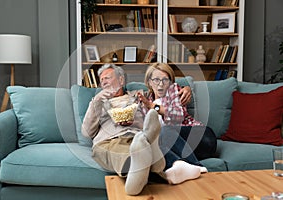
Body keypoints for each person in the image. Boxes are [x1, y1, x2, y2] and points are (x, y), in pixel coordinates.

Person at [82, 63, 166, 195]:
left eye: (107, 78)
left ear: (121, 80)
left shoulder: (138, 96)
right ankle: (152, 156)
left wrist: (185, 89)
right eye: (101, 80)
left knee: (138, 143)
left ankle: (147, 149)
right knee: (125, 152)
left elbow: (165, 85)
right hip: (110, 140)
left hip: (136, 136)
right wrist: (96, 101)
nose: (104, 82)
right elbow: (86, 133)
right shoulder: (99, 102)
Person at [138, 62, 217, 184]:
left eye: (165, 80)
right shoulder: (145, 100)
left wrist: (153, 107)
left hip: (202, 137)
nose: (161, 84)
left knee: (165, 131)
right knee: (153, 145)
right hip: (180, 147)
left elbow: (178, 117)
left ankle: (197, 166)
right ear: (149, 82)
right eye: (156, 80)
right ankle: (179, 166)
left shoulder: (174, 90)